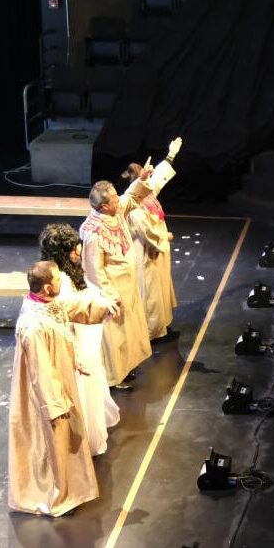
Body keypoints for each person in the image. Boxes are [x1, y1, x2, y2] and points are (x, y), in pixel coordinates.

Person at [8, 261, 118, 517]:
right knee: (51, 440)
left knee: (67, 438)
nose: (62, 283)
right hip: (46, 395)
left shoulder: (48, 304)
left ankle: (71, 488)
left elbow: (73, 307)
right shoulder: (33, 326)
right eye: (58, 280)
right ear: (47, 287)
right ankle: (55, 495)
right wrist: (55, 404)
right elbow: (41, 371)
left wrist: (104, 308)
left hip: (61, 380)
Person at [39, 223, 120, 457]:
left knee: (93, 382)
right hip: (76, 339)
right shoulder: (60, 281)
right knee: (83, 387)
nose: (78, 252)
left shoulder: (70, 271)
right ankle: (83, 439)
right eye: (74, 249)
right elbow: (70, 311)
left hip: (87, 337)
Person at [79, 159, 159, 390]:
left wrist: (142, 179)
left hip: (128, 284)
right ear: (104, 206)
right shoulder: (93, 232)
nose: (118, 199)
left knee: (130, 329)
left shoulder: (116, 211)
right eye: (114, 198)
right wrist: (110, 295)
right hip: (114, 290)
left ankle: (127, 365)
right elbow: (94, 269)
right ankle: (114, 377)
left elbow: (131, 196)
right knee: (115, 334)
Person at [123, 147, 180, 341]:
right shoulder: (135, 208)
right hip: (147, 252)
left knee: (159, 286)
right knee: (150, 291)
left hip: (156, 250)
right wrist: (165, 237)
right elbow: (147, 233)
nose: (150, 182)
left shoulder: (146, 195)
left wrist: (170, 156)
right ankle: (151, 331)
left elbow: (159, 179)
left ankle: (161, 324)